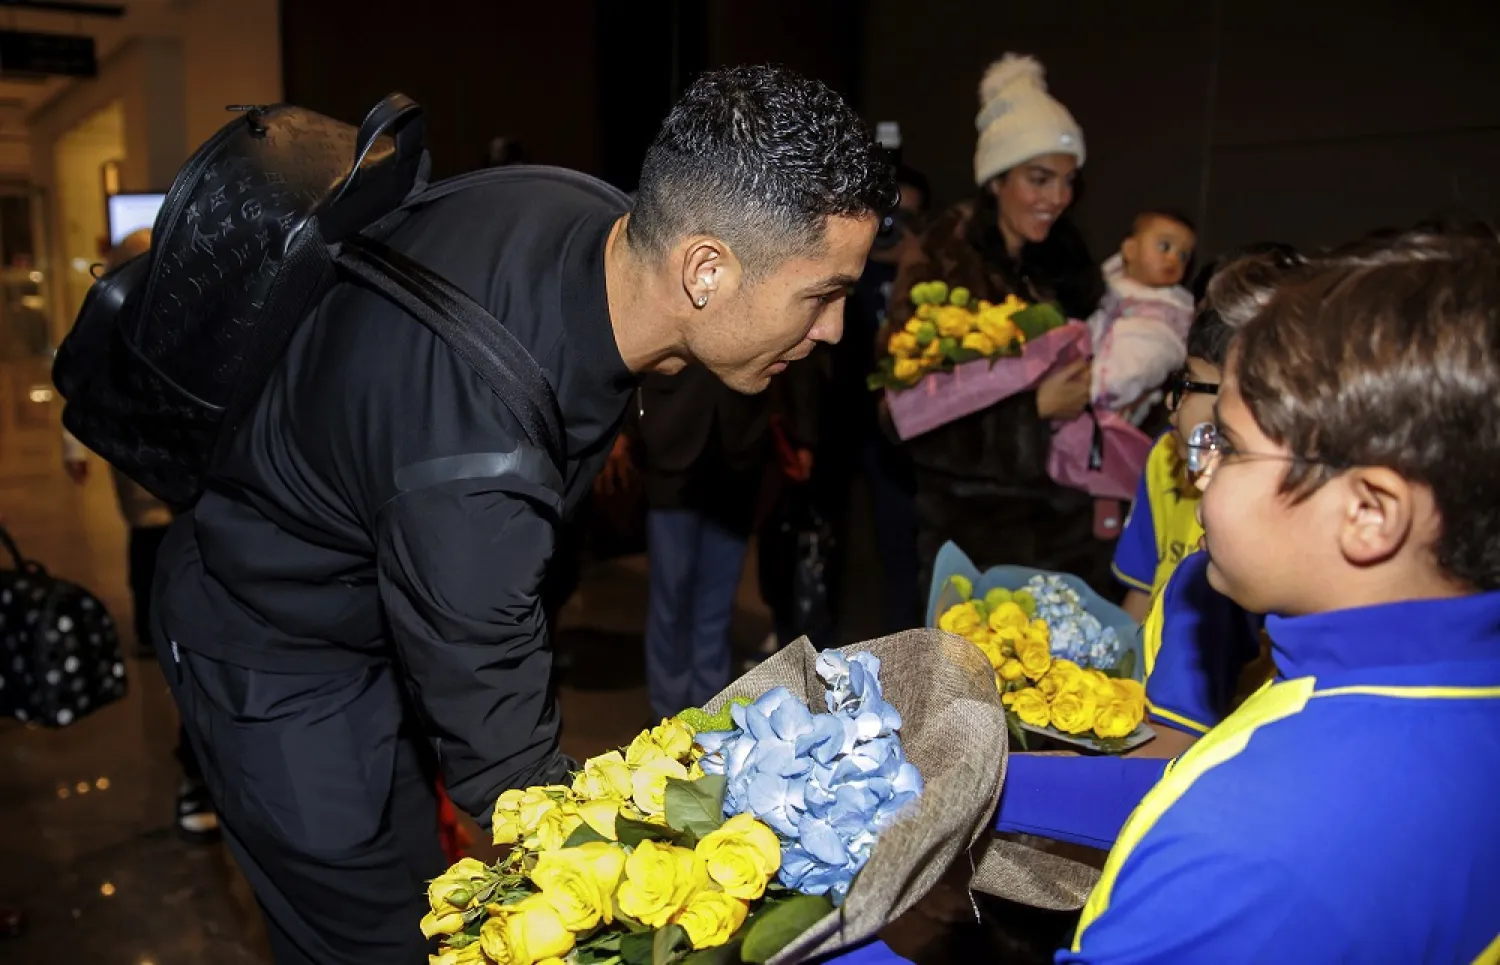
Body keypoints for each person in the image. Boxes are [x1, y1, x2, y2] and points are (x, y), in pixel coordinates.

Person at [152, 65, 895, 965]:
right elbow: (518, 780)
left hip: (372, 605)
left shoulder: (582, 212)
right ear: (705, 269)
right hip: (272, 655)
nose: (833, 332)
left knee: (414, 874)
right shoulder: (475, 467)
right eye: (823, 294)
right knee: (378, 937)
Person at [837, 222, 1500, 964]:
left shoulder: (1251, 843)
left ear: (1369, 512)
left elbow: (1223, 816)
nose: (1197, 465)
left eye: (1232, 443)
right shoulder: (1433, 692)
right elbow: (1181, 783)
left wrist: (817, 934)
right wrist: (972, 781)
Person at [883, 53, 1109, 596]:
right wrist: (1030, 415)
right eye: (1039, 179)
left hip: (1068, 540)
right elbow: (902, 419)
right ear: (995, 179)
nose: (1057, 198)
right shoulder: (942, 265)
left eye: (1067, 181)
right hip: (976, 542)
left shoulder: (1065, 263)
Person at [60, 229, 220, 844]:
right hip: (167, 502)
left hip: (218, 511)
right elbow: (85, 377)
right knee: (174, 615)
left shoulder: (216, 310)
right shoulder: (124, 314)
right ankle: (196, 773)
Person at [1113, 243, 1301, 622]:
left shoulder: (1292, 503)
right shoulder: (1164, 458)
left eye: (1188, 384)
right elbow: (1142, 594)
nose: (1170, 401)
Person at [632, 362, 816, 718]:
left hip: (741, 447)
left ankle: (706, 716)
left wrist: (803, 434)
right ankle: (666, 717)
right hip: (670, 441)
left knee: (716, 603)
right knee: (670, 596)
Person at [1086, 212, 1195, 423]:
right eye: (1165, 247)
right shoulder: (1104, 287)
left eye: (1183, 256)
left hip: (1120, 388)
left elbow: (1156, 353)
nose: (1173, 258)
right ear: (1130, 249)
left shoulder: (1171, 310)